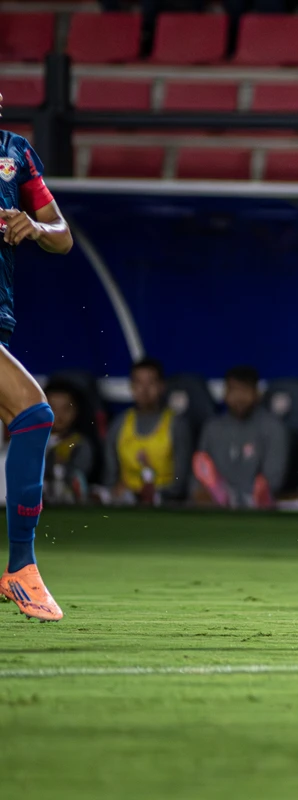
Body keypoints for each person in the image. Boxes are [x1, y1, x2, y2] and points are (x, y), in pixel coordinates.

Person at [0, 106, 74, 622]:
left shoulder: (14, 152)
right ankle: (21, 569)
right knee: (32, 412)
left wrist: (34, 225)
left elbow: (63, 234)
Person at [192, 365, 289, 509]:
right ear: (225, 394)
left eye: (244, 391)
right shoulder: (212, 427)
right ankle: (222, 494)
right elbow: (197, 476)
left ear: (257, 393)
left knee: (263, 492)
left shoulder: (274, 427)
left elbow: (274, 481)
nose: (238, 397)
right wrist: (200, 493)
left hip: (256, 504)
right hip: (217, 505)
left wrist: (242, 497)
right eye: (233, 390)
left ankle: (228, 496)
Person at [103, 358, 192, 506]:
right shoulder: (119, 423)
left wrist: (153, 495)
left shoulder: (177, 424)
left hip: (166, 505)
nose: (144, 390)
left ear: (162, 386)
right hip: (126, 504)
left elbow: (180, 483)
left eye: (151, 383)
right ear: (131, 387)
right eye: (138, 383)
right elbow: (110, 477)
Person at [43, 380, 96, 505]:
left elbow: (80, 475)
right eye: (53, 409)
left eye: (65, 409)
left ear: (76, 411)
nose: (59, 415)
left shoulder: (79, 443)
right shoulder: (32, 441)